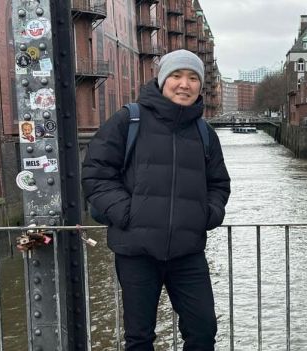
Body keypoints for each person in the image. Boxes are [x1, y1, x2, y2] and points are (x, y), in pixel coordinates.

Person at [81, 49, 230, 350]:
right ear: (162, 80)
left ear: (201, 85)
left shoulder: (204, 133)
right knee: (139, 337)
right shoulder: (128, 120)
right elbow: (95, 175)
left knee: (203, 331)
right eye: (176, 76)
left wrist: (206, 215)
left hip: (188, 252)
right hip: (136, 252)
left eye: (192, 78)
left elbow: (219, 183)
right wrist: (129, 214)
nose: (184, 84)